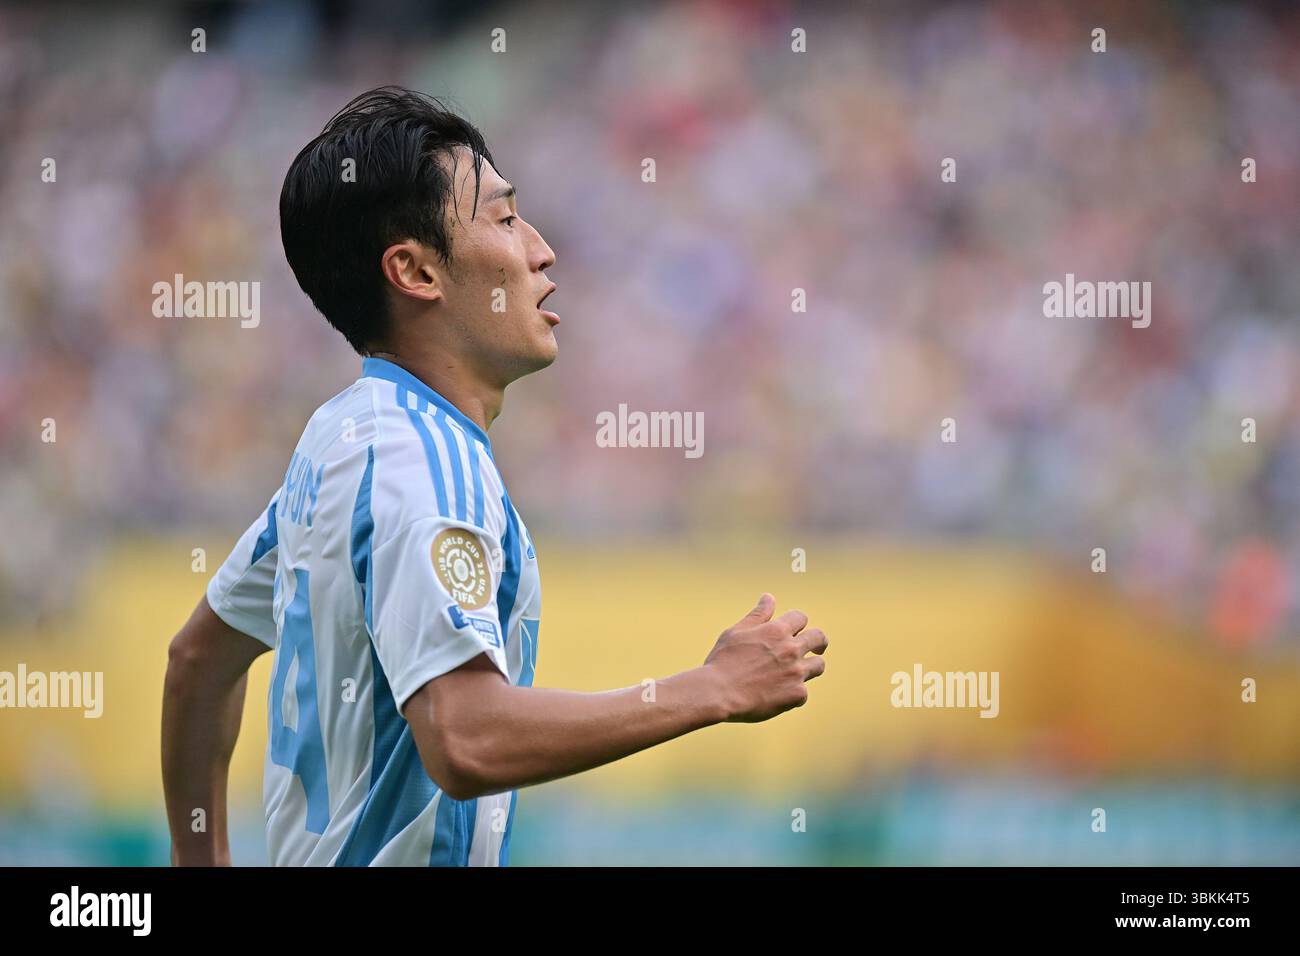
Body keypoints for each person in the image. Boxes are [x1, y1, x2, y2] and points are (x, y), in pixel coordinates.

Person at [161, 87, 828, 866]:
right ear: (415, 272)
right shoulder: (422, 462)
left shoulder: (341, 439)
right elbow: (464, 737)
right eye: (506, 219)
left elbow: (198, 662)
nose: (541, 250)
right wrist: (712, 688)